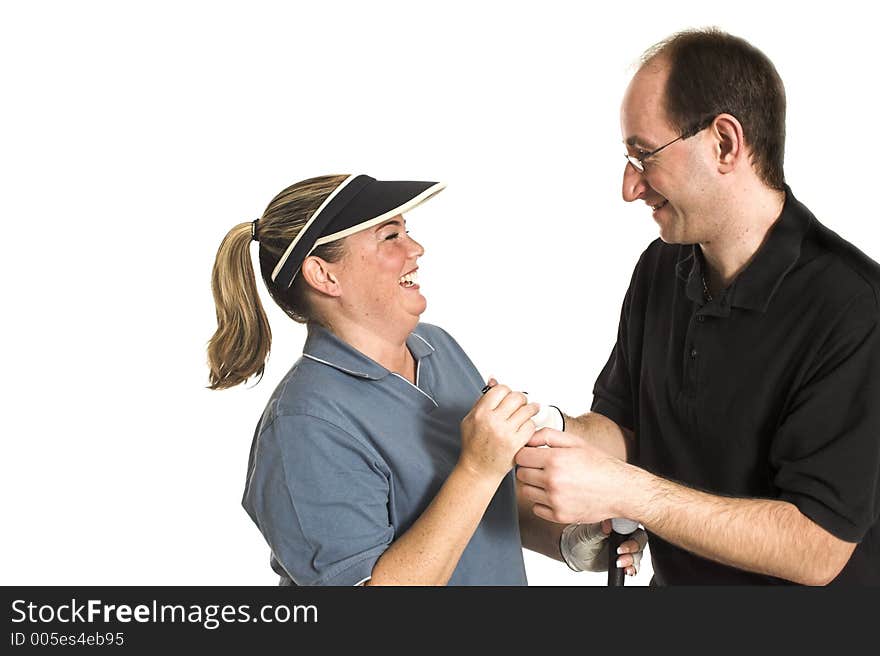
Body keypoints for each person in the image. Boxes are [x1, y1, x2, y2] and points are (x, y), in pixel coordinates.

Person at [516, 28, 880, 585]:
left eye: (644, 156)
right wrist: (545, 427)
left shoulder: (853, 307)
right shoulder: (660, 268)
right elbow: (626, 431)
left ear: (725, 144)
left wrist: (628, 491)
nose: (629, 187)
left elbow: (817, 547)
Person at [207, 173, 646, 585]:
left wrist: (569, 541)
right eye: (390, 237)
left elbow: (479, 506)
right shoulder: (304, 426)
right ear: (325, 274)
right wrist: (478, 466)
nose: (415, 249)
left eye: (406, 230)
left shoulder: (437, 349)